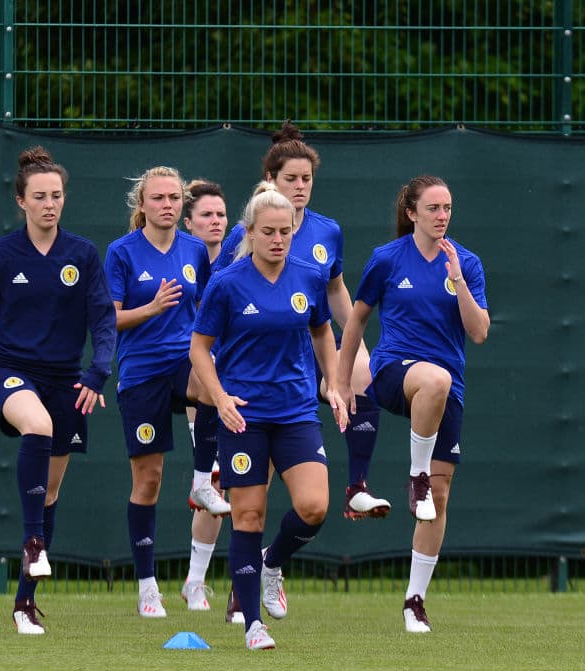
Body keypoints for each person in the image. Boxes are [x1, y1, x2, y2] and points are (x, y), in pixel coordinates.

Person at [0, 146, 115, 635]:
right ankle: (32, 542)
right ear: (21, 201)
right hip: (10, 370)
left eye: (57, 196)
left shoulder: (82, 254)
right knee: (38, 425)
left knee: (50, 493)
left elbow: (103, 320)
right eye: (40, 196)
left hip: (66, 378)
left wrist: (97, 372)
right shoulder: (0, 255)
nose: (50, 204)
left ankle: (24, 603)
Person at [190, 182, 348, 650]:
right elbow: (200, 348)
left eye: (286, 231)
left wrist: (333, 383)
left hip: (296, 411)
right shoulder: (227, 283)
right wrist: (218, 397)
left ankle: (272, 562)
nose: (278, 239)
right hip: (243, 415)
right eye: (269, 232)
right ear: (252, 233)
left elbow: (322, 331)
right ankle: (252, 623)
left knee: (314, 507)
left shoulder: (308, 277)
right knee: (248, 513)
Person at [215, 120, 391, 521]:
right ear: (270, 179)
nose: (299, 186)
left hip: (313, 346)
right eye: (290, 178)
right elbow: (220, 299)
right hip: (259, 364)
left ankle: (357, 487)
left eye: (306, 179)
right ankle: (202, 572)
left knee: (363, 372)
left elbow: (334, 291)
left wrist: (356, 343)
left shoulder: (327, 231)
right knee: (250, 492)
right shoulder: (247, 235)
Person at [337, 175, 489, 633]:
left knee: (439, 499)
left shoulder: (467, 262)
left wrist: (458, 279)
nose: (442, 216)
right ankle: (415, 476)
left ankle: (414, 600)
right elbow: (356, 322)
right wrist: (343, 384)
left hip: (445, 392)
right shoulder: (387, 259)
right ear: (412, 213)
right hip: (393, 374)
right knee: (434, 378)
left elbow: (479, 332)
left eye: (448, 208)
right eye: (434, 208)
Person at [104, 166, 213, 618]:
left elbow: (208, 314)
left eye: (174, 198)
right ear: (142, 204)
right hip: (141, 372)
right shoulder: (121, 252)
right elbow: (108, 320)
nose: (168, 205)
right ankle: (148, 586)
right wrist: (149, 308)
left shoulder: (195, 250)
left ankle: (204, 479)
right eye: (159, 198)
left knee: (211, 380)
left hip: (183, 360)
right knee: (148, 482)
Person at [177, 180, 234, 616]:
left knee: (242, 488)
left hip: (238, 382)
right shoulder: (182, 262)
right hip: (199, 382)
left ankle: (247, 581)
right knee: (213, 485)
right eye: (207, 216)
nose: (216, 222)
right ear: (188, 223)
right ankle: (195, 582)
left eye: (221, 215)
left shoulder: (239, 261)